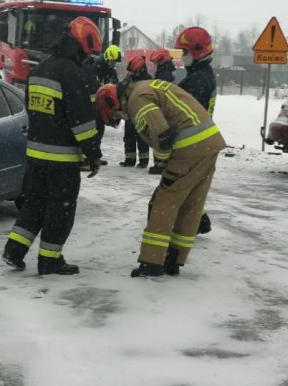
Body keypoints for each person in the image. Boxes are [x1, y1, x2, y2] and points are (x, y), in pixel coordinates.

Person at [2, 17, 103, 275]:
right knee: (61, 210)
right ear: (82, 46)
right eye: (88, 54)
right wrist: (93, 154)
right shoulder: (75, 75)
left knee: (34, 204)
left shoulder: (39, 70)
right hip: (63, 160)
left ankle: (14, 250)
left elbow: (31, 109)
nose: (88, 59)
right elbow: (82, 123)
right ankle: (49, 260)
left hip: (35, 155)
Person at [95, 79, 226, 277]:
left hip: (189, 146)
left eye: (117, 115)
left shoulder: (136, 99)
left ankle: (152, 262)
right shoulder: (146, 87)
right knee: (192, 202)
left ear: (114, 101)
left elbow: (162, 136)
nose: (121, 117)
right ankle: (174, 258)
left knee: (164, 201)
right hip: (209, 142)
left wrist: (163, 165)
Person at [175, 26, 217, 235]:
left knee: (180, 186)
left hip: (193, 142)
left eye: (185, 52)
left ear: (197, 50)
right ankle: (199, 219)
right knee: (190, 187)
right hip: (199, 141)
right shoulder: (199, 75)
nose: (182, 57)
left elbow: (186, 113)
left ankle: (195, 221)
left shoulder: (198, 80)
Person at [119, 54, 151, 168]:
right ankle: (129, 159)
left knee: (142, 137)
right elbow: (121, 89)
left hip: (142, 113)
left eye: (133, 71)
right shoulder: (130, 79)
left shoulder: (147, 80)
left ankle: (143, 160)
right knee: (129, 136)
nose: (132, 73)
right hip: (130, 112)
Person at [148, 49, 176, 174]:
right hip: (165, 109)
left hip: (163, 109)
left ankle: (161, 164)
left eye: (156, 64)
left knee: (160, 136)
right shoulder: (166, 73)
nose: (154, 66)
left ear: (161, 62)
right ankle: (161, 163)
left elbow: (161, 94)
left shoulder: (164, 76)